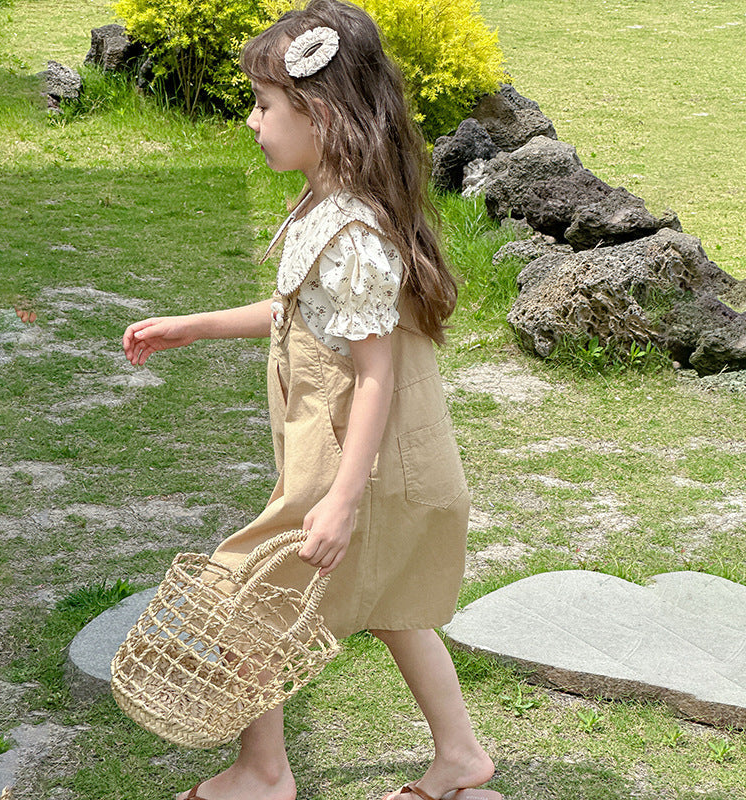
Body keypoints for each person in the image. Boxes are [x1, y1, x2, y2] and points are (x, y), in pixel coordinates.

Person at [122, 2, 501, 799]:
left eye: (264, 106)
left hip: (349, 470)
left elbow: (374, 374)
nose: (252, 122)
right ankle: (461, 757)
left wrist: (338, 503)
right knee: (394, 604)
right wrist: (196, 326)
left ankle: (263, 773)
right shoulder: (328, 212)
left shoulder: (355, 233)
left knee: (246, 594)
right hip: (350, 465)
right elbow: (301, 313)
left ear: (320, 116)